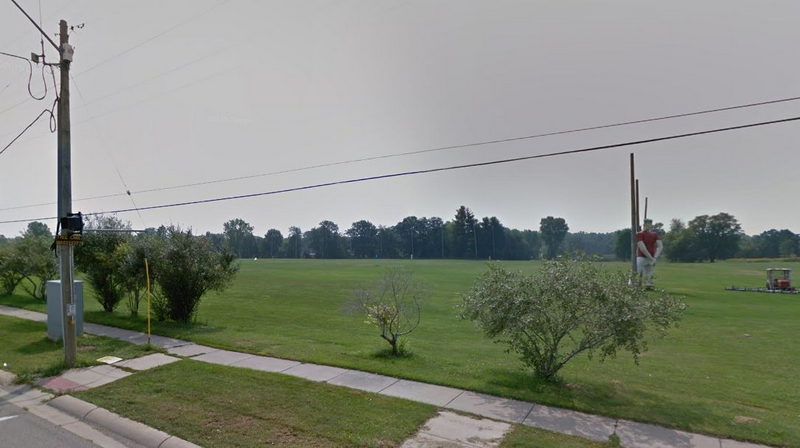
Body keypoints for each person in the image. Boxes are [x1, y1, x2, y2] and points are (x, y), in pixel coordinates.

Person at [636, 219, 663, 289]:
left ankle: (648, 285)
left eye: (650, 224)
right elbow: (642, 247)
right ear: (644, 225)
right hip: (641, 257)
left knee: (649, 273)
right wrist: (652, 258)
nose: (649, 226)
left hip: (651, 257)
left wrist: (655, 257)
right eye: (648, 224)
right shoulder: (640, 234)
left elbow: (660, 246)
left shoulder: (654, 234)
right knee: (636, 272)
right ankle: (632, 285)